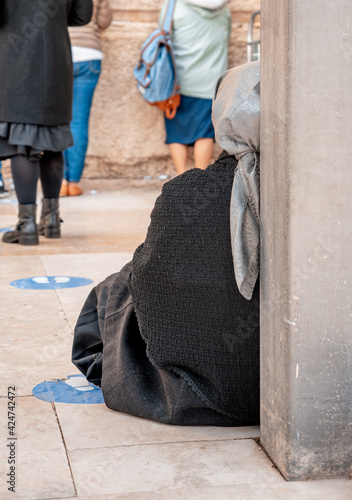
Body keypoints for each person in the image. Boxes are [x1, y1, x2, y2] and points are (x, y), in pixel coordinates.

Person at [72, 61, 261, 426]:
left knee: (122, 281)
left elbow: (147, 282)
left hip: (192, 392)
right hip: (284, 384)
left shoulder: (184, 192)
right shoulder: (311, 200)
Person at [0, 0, 93, 246]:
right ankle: (51, 219)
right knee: (54, 139)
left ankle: (26, 223)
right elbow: (82, 16)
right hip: (56, 61)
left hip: (16, 61)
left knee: (22, 139)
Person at [160, 0, 231, 175]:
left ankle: (180, 177)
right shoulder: (224, 10)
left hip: (177, 82)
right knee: (204, 134)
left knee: (176, 132)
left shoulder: (173, 6)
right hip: (211, 82)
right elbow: (225, 39)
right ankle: (199, 179)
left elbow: (163, 35)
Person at [60, 0, 112, 197]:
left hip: (61, 52)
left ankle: (60, 181)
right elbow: (104, 22)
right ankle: (73, 182)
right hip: (90, 55)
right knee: (79, 120)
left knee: (58, 121)